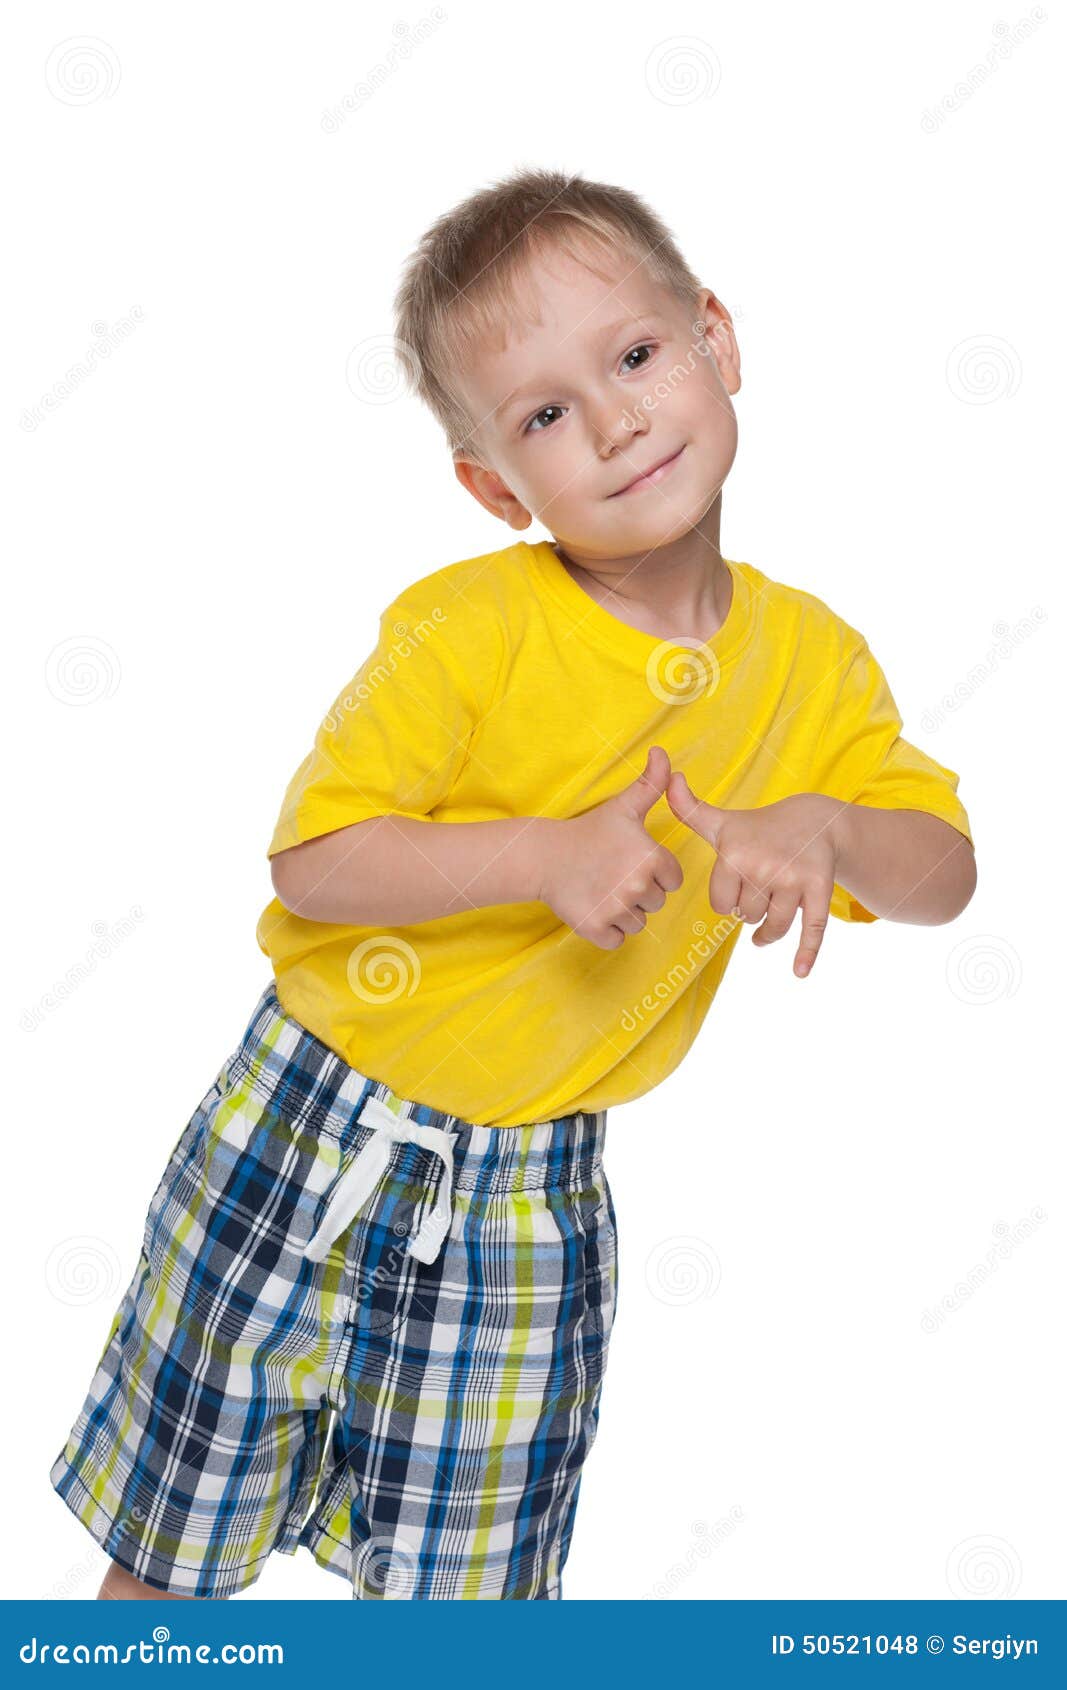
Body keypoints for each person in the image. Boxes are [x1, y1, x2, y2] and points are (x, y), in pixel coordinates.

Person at [50, 168, 976, 1601]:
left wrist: (833, 831)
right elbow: (314, 854)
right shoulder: (466, 628)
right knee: (169, 1559)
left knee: (470, 1609)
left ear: (716, 340)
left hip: (530, 1195)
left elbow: (948, 873)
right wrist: (543, 854)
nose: (613, 419)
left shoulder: (815, 664)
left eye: (635, 355)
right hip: (302, 1118)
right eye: (544, 414)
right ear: (496, 486)